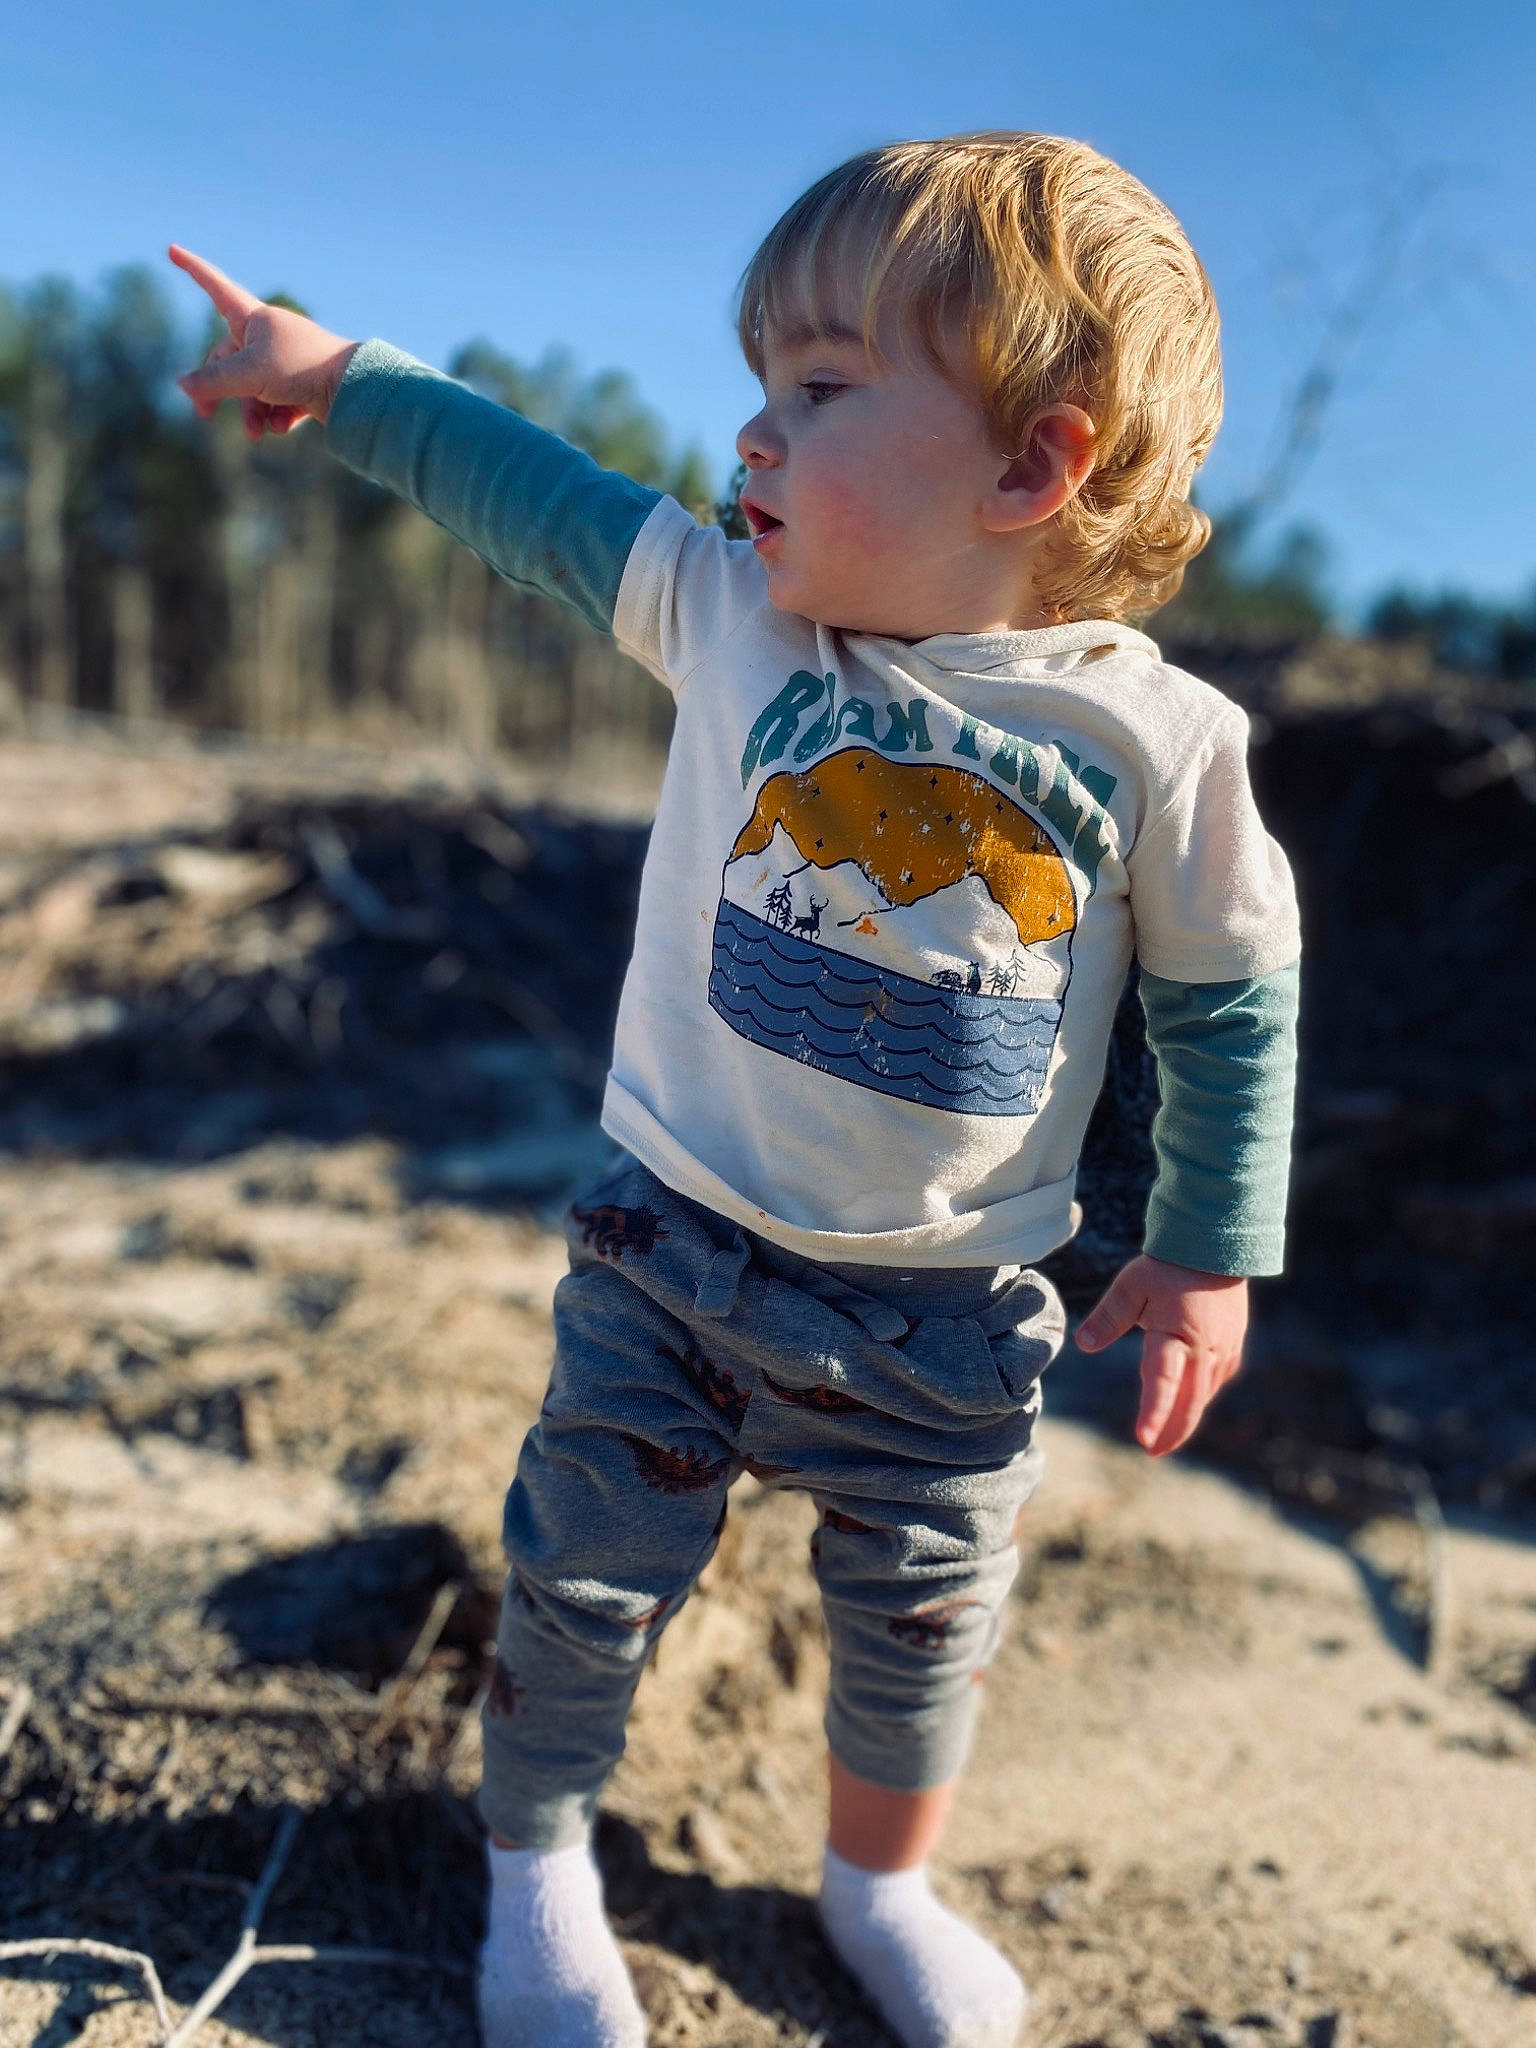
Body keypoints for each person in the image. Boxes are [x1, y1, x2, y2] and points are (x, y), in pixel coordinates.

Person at [171, 129, 1299, 2048]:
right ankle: (535, 1873)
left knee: (922, 1633)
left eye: (824, 390)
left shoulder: (1155, 739)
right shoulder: (731, 618)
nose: (755, 436)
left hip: (951, 1310)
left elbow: (1230, 997)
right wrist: (342, 373)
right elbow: (530, 493)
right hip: (669, 1246)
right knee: (582, 1578)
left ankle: (880, 1887)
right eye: (761, 387)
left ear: (1036, 464)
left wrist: (1208, 1247)